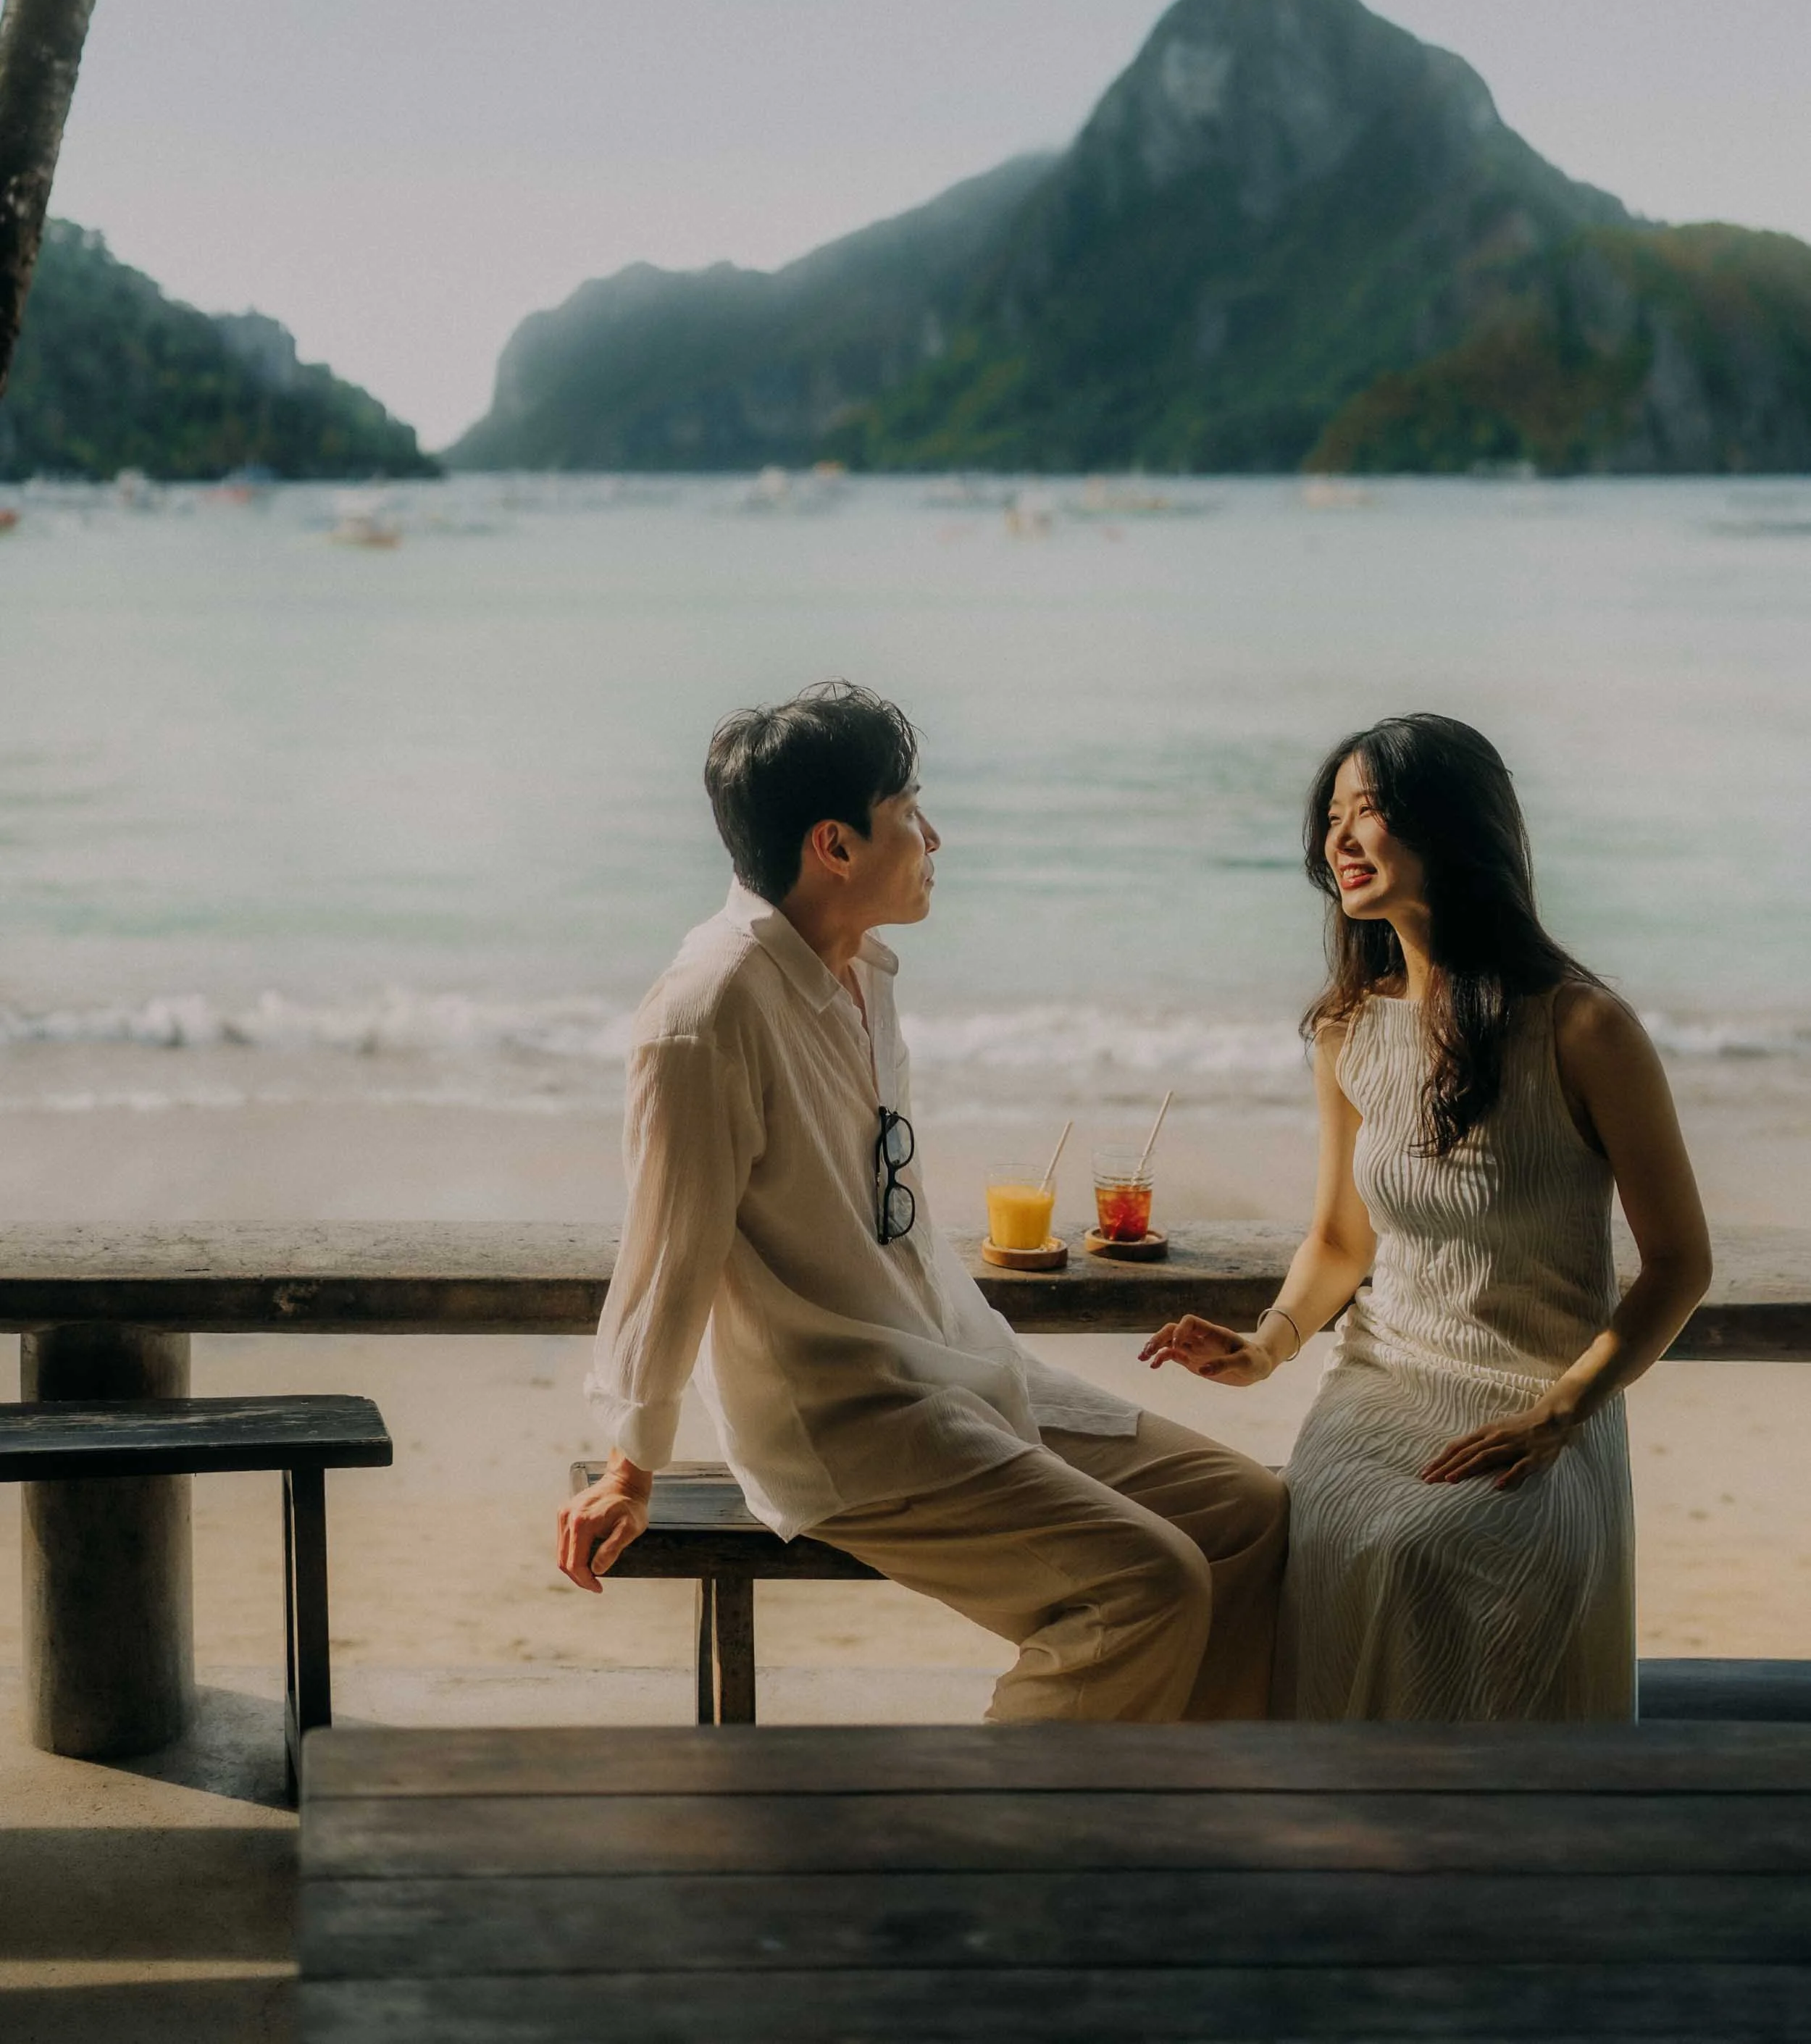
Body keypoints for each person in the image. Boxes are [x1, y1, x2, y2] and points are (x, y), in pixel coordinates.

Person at [557, 683, 1287, 1721]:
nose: (933, 836)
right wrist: (633, 1468)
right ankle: (1013, 1818)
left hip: (954, 1357)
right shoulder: (707, 1013)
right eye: (907, 811)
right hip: (844, 1416)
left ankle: (1170, 1786)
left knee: (1248, 1514)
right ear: (834, 846)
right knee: (1147, 1583)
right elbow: (670, 1251)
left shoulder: (861, 969)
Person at [1142, 713, 1711, 1722]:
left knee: (1435, 1547)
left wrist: (1562, 1412)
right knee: (1333, 1527)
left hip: (1541, 1402)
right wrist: (1267, 1346)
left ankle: (1465, 1811)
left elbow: (1679, 1264)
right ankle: (1355, 1807)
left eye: (1370, 810)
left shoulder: (1584, 1028)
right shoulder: (1351, 1028)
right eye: (1332, 817)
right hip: (1382, 1382)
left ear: (1453, 827)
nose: (1341, 839)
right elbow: (1340, 1240)